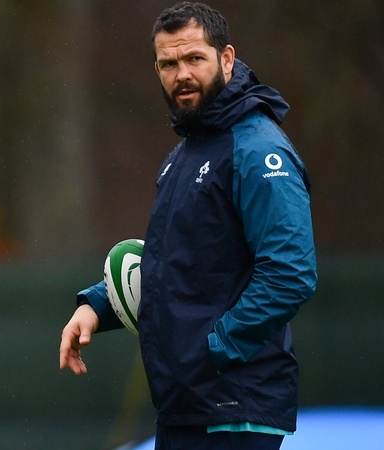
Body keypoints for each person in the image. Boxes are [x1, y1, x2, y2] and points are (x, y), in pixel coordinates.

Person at [59, 3, 317, 449]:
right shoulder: (186, 154)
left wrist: (213, 350)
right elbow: (172, 260)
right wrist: (97, 307)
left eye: (194, 58)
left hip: (234, 410)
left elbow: (290, 272)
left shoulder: (257, 150)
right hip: (185, 406)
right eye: (169, 63)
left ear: (227, 58)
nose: (182, 73)